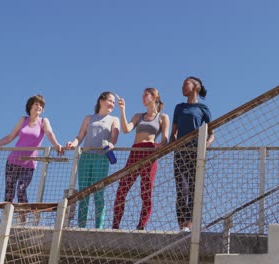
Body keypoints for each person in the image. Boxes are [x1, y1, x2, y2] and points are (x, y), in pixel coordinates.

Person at [0, 94, 63, 204]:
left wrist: (56, 144)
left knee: (21, 190)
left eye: (41, 106)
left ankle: (23, 217)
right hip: (13, 161)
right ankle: (6, 220)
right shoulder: (23, 120)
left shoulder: (43, 121)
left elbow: (49, 133)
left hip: (29, 164)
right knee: (9, 194)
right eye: (36, 104)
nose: (39, 107)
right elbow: (10, 137)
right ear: (30, 106)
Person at [112, 88, 169, 230]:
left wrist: (157, 146)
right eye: (142, 94)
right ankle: (115, 224)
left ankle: (141, 225)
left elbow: (165, 139)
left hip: (150, 152)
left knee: (146, 191)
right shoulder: (138, 116)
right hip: (135, 152)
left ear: (155, 97)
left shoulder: (163, 117)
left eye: (146, 95)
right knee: (122, 188)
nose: (143, 97)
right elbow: (126, 129)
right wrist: (122, 109)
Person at [66, 92, 120, 229]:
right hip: (86, 157)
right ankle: (81, 226)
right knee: (83, 192)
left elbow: (114, 138)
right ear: (101, 101)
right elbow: (80, 136)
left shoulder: (114, 119)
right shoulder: (89, 118)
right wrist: (73, 144)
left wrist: (112, 144)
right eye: (110, 101)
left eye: (114, 102)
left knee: (98, 192)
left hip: (101, 157)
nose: (112, 104)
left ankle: (99, 227)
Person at [170, 76, 215, 232]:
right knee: (182, 189)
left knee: (193, 190)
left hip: (196, 153)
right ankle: (182, 225)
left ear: (196, 87)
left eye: (186, 84)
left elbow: (212, 134)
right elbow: (173, 134)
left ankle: (190, 225)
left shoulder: (203, 109)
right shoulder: (179, 108)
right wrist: (171, 144)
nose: (183, 86)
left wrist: (205, 145)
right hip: (180, 153)